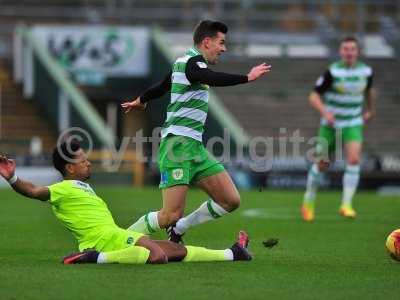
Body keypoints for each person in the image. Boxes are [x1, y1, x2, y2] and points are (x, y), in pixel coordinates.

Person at [121, 20, 270, 242]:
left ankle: (179, 228)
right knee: (168, 214)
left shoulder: (184, 63)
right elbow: (209, 77)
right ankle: (120, 239)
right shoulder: (193, 63)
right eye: (221, 42)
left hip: (195, 147)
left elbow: (162, 86)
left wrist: (141, 99)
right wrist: (247, 77)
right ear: (207, 41)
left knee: (230, 200)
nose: (224, 48)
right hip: (177, 145)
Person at [0, 140, 251, 264]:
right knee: (157, 255)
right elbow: (34, 191)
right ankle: (94, 258)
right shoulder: (61, 189)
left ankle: (233, 254)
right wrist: (13, 179)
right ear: (70, 168)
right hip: (102, 240)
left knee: (177, 250)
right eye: (82, 161)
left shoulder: (82, 186)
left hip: (114, 236)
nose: (88, 162)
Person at [301, 36, 375, 221]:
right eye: (345, 49)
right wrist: (325, 112)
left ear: (357, 52)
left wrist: (371, 110)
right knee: (322, 164)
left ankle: (346, 204)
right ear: (340, 51)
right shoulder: (332, 72)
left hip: (353, 122)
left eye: (352, 49)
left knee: (354, 159)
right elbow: (313, 96)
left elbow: (368, 91)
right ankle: (308, 201)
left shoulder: (366, 71)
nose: (349, 52)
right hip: (331, 125)